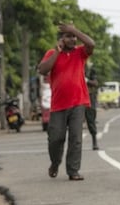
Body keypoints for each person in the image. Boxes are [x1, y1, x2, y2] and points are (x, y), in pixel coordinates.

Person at [37, 22, 95, 181]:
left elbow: (91, 43)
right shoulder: (52, 53)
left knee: (76, 139)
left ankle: (73, 171)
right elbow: (42, 70)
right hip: (58, 104)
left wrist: (74, 29)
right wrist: (57, 51)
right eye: (68, 36)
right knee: (55, 138)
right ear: (61, 39)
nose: (73, 39)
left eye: (74, 37)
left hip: (78, 102)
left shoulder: (80, 53)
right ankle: (55, 163)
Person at [85, 66, 100, 150]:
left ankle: (94, 141)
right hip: (76, 96)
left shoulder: (90, 69)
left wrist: (86, 80)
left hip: (89, 97)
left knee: (91, 120)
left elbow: (95, 83)